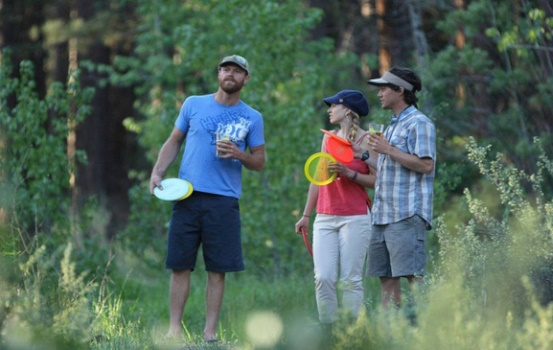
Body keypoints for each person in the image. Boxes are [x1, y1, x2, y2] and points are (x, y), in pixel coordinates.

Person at [149, 54, 266, 342]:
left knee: (217, 269)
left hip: (224, 201)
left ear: (245, 79)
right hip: (186, 196)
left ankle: (209, 332)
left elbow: (260, 161)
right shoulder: (193, 104)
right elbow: (174, 140)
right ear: (218, 74)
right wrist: (157, 172)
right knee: (179, 264)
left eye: (237, 71)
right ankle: (174, 330)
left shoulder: (252, 117)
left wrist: (240, 154)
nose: (230, 74)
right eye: (226, 69)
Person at [295, 90, 375, 327]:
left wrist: (349, 172)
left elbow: (377, 181)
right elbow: (317, 178)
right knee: (323, 277)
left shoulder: (368, 141)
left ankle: (351, 334)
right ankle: (328, 332)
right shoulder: (328, 137)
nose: (329, 110)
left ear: (347, 110)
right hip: (325, 216)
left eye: (333, 106)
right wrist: (306, 215)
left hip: (356, 217)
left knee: (351, 280)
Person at [364, 66, 436, 309]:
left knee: (413, 277)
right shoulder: (392, 125)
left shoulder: (420, 123)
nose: (379, 93)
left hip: (405, 214)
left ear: (400, 90)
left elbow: (426, 165)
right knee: (386, 279)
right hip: (382, 215)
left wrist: (388, 150)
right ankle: (392, 335)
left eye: (384, 88)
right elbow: (388, 166)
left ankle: (430, 331)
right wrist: (363, 156)